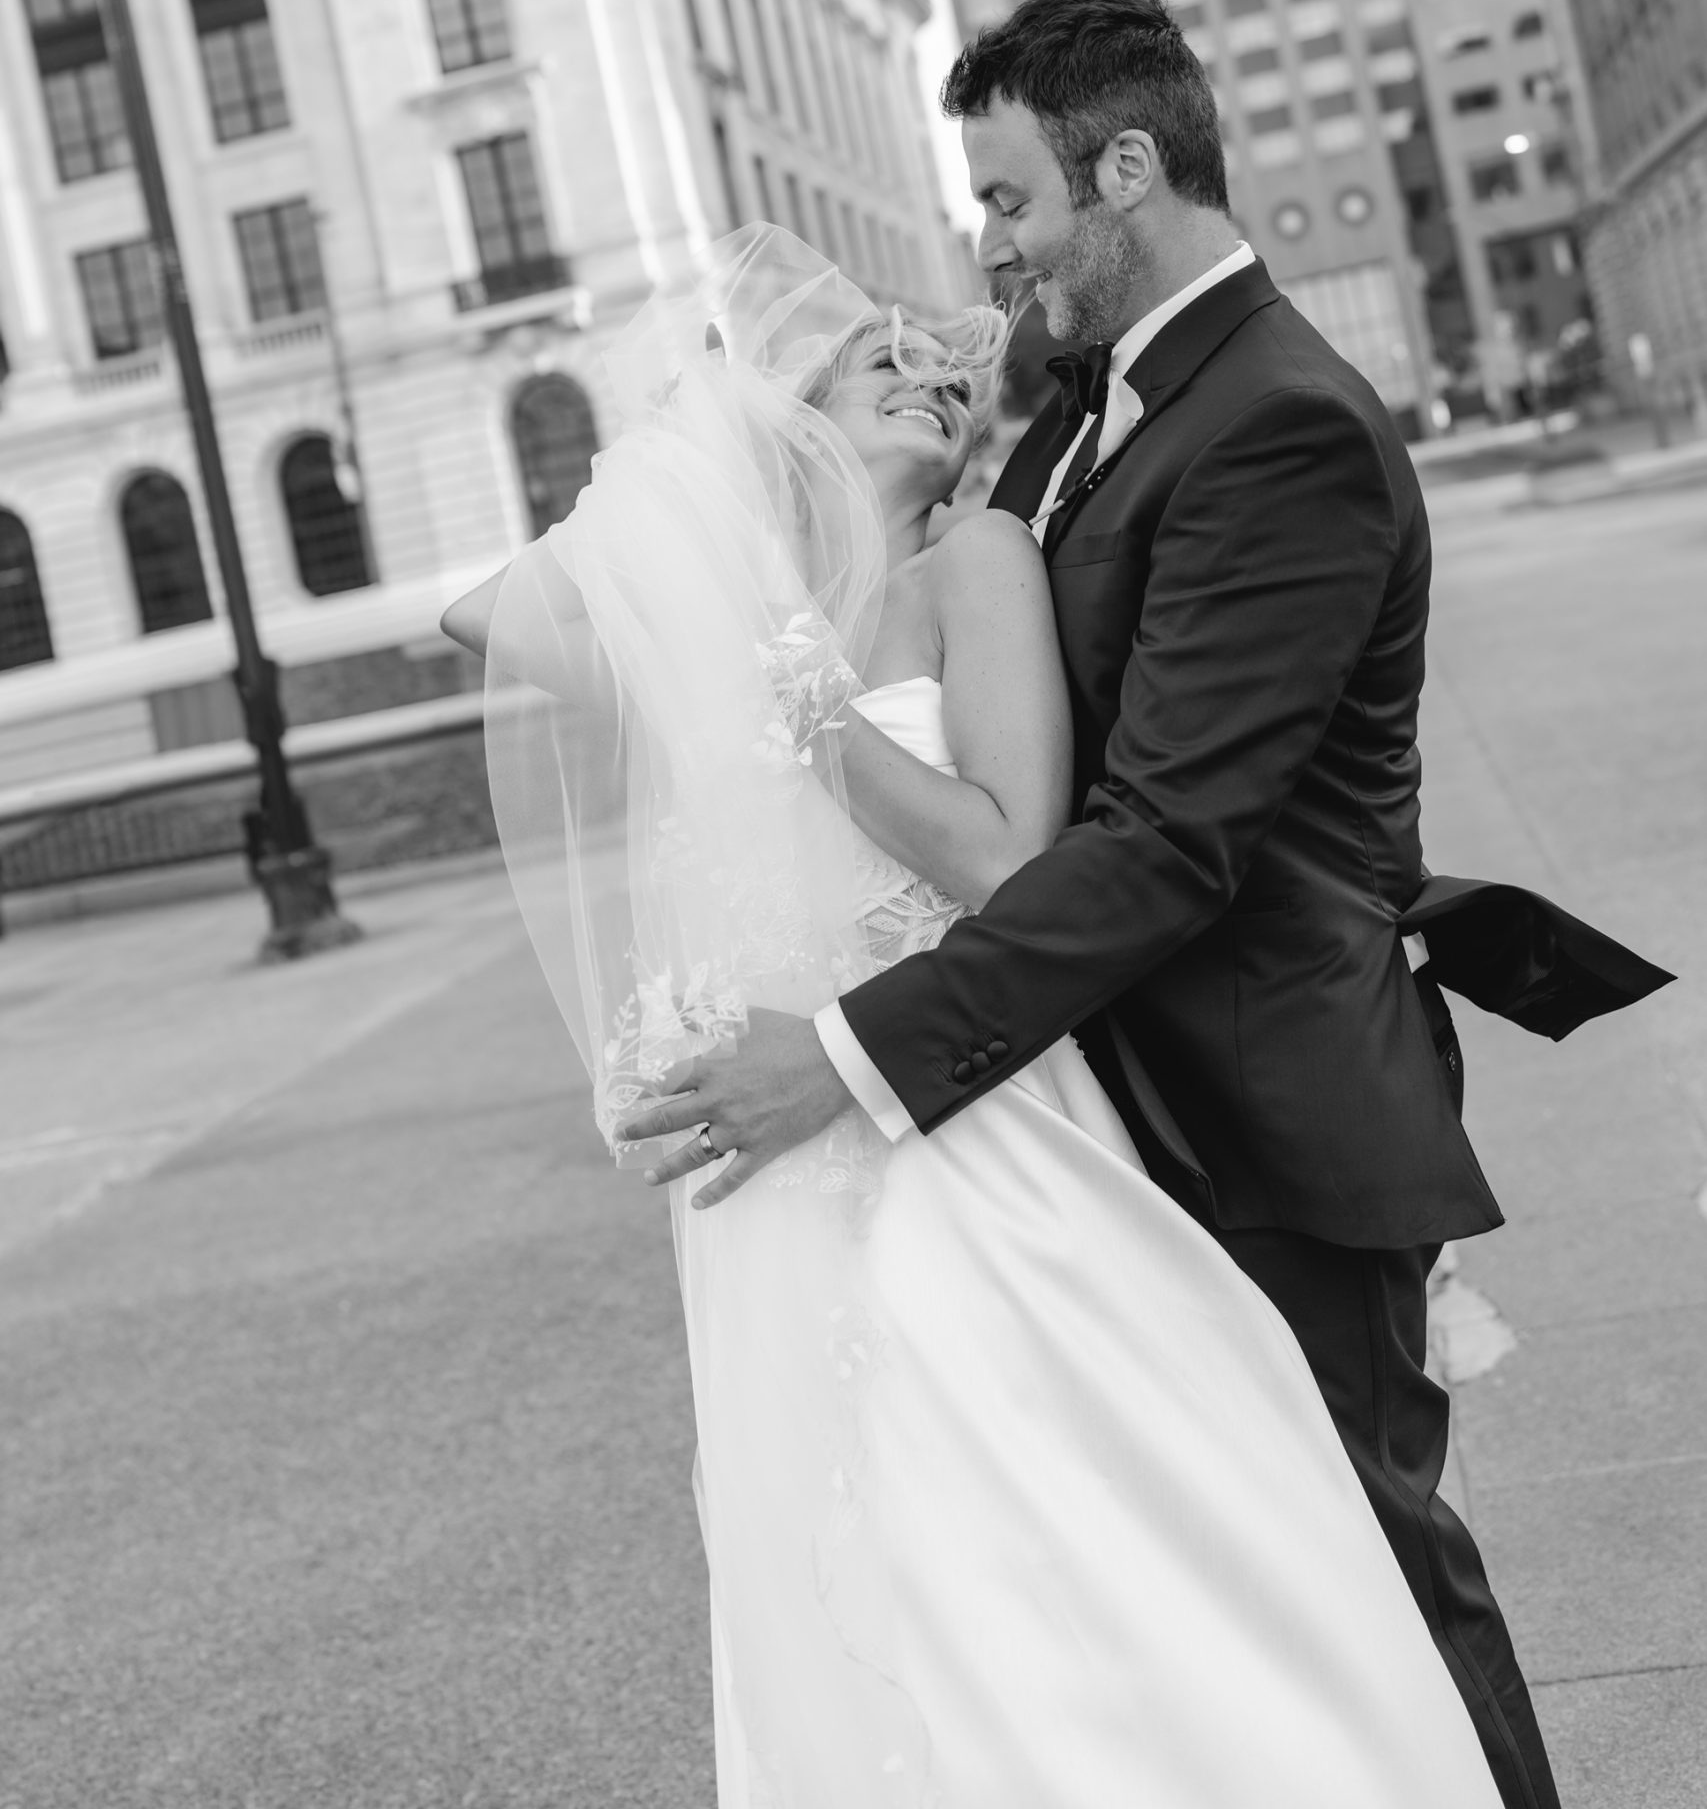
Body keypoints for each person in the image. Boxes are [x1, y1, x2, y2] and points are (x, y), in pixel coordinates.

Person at [615, 0, 1668, 1809]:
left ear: (1125, 166)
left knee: (1377, 1591)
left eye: (1013, 201)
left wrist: (851, 1057)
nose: (991, 248)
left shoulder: (1280, 423)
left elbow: (1176, 839)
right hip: (1112, 1107)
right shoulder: (1086, 420)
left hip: (1269, 1106)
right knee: (1230, 1624)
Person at [447, 224, 1510, 1806]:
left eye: (939, 375)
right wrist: (712, 454)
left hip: (979, 1136)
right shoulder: (729, 620)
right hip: (788, 1192)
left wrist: (821, 723)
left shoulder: (978, 564)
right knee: (861, 1589)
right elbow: (486, 613)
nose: (930, 383)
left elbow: (1009, 856)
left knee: (1066, 1556)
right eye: (876, 368)